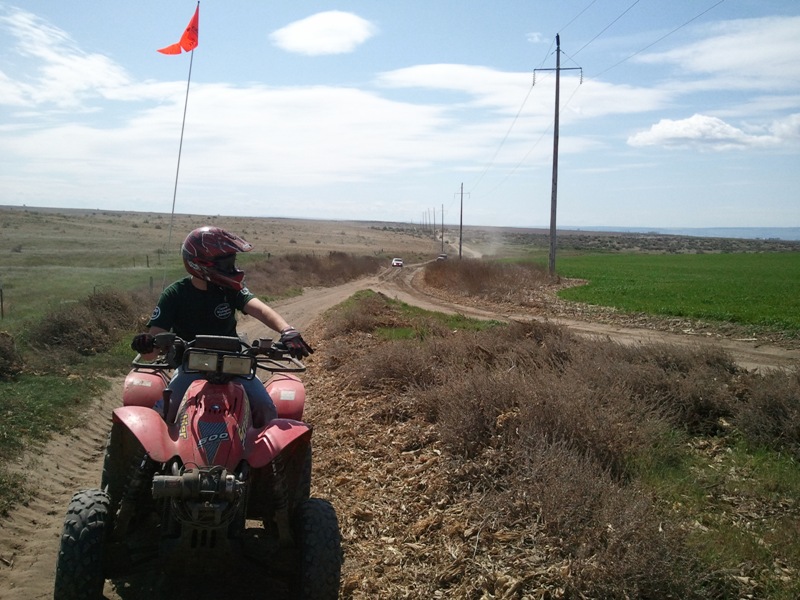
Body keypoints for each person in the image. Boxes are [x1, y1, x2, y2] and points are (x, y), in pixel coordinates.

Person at [131, 226, 313, 426]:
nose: (232, 269)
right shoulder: (174, 294)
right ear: (200, 264)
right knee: (166, 411)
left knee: (265, 407)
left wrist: (287, 330)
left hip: (233, 363)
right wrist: (147, 344)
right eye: (226, 264)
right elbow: (153, 349)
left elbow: (260, 309)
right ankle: (158, 457)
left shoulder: (230, 289)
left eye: (232, 262)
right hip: (191, 366)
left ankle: (266, 456)